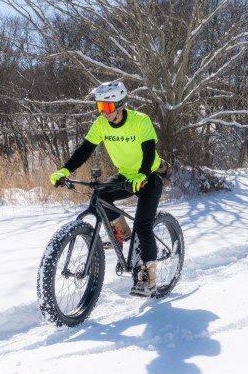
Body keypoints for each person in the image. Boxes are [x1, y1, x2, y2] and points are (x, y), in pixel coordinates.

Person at [49, 81, 164, 297]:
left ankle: (150, 278)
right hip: (125, 176)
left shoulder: (141, 121)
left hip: (148, 175)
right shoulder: (101, 125)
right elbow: (84, 151)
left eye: (108, 108)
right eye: (100, 107)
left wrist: (142, 175)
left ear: (120, 104)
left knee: (143, 225)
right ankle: (122, 231)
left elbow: (149, 151)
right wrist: (65, 171)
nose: (104, 113)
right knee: (100, 194)